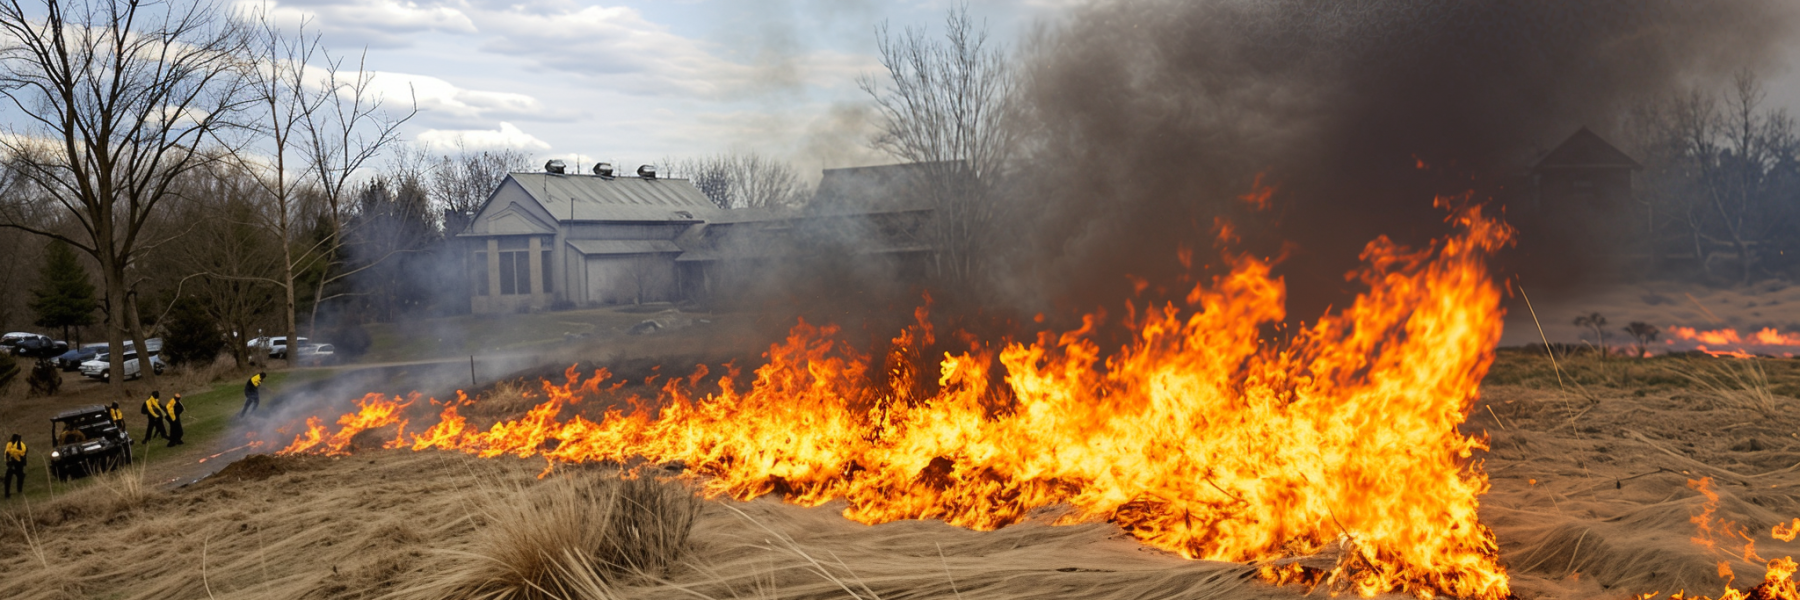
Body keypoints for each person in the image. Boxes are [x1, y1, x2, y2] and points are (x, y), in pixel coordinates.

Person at [4, 434, 25, 499]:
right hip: (14, 463)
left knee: (17, 477)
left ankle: (10, 493)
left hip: (16, 463)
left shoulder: (18, 444)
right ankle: (11, 492)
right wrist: (8, 461)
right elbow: (7, 452)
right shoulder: (10, 444)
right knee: (17, 477)